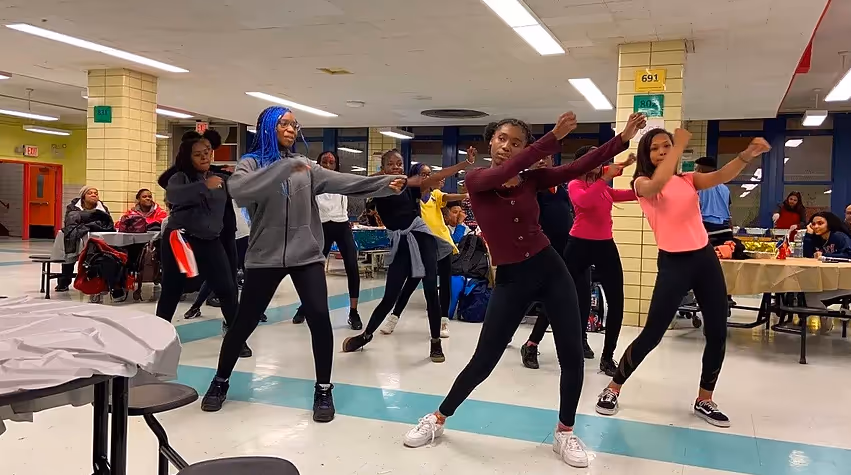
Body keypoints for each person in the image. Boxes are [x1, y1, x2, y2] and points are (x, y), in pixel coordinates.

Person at [402, 112, 643, 470]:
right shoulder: (476, 179)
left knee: (571, 355)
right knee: (484, 359)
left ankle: (565, 431)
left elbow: (578, 167)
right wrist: (552, 138)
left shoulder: (532, 179)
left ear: (525, 147)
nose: (507, 147)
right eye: (502, 139)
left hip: (551, 269)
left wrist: (621, 139)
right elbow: (506, 170)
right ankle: (437, 418)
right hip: (512, 279)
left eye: (516, 143)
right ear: (491, 141)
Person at [200, 106, 405, 422]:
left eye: (294, 124)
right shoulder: (251, 163)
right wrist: (284, 167)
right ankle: (220, 381)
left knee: (320, 317)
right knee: (244, 322)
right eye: (284, 123)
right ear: (268, 126)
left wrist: (384, 183)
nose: (291, 129)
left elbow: (343, 182)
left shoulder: (306, 167)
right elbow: (239, 189)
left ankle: (323, 389)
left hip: (306, 254)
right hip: (265, 256)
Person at [594, 128, 771, 429]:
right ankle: (613, 387)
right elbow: (658, 182)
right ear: (646, 155)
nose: (663, 151)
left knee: (717, 332)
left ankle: (705, 398)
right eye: (655, 148)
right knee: (652, 334)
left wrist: (746, 155)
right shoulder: (642, 183)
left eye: (667, 145)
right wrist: (679, 146)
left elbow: (721, 176)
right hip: (674, 263)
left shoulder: (687, 179)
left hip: (704, 259)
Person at [342, 152, 471, 361]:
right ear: (383, 168)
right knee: (390, 296)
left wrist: (465, 163)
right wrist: (387, 178)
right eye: (390, 164)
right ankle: (366, 335)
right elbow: (358, 183)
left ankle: (435, 342)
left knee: (431, 290)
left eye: (399, 164)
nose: (396, 167)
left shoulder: (410, 187)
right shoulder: (379, 188)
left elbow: (439, 176)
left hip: (422, 239)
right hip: (401, 244)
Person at [521, 148, 637, 377]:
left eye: (599, 159)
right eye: (592, 159)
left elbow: (622, 192)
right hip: (578, 246)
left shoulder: (602, 186)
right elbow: (584, 201)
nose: (598, 163)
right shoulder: (575, 184)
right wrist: (605, 177)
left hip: (605, 246)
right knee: (557, 296)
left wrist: (644, 189)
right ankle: (532, 344)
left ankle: (607, 357)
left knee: (615, 301)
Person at [155, 133, 241, 344]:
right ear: (188, 157)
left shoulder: (220, 178)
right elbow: (173, 195)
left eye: (207, 153)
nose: (204, 157)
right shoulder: (180, 177)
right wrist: (204, 186)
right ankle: (156, 338)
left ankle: (237, 340)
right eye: (197, 154)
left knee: (227, 289)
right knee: (172, 290)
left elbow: (245, 190)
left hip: (210, 240)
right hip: (181, 239)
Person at [377, 164, 469, 337]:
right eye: (423, 174)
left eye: (429, 174)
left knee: (445, 284)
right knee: (410, 283)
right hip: (421, 246)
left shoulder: (435, 195)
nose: (428, 177)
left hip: (443, 243)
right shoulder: (412, 196)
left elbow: (448, 196)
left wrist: (465, 195)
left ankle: (443, 322)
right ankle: (394, 317)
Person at [292, 150, 364, 330]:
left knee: (352, 266)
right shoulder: (312, 181)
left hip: (342, 225)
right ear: (318, 164)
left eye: (331, 162)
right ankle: (305, 306)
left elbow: (361, 185)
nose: (328, 164)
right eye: (324, 161)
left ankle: (353, 312)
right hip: (322, 226)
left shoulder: (341, 180)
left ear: (336, 165)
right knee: (313, 270)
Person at [56, 186, 115, 291]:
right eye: (90, 193)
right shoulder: (73, 208)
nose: (94, 195)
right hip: (77, 237)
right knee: (70, 253)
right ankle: (64, 281)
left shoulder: (103, 209)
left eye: (96, 193)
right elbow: (70, 224)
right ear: (83, 197)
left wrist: (87, 224)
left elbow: (107, 224)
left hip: (96, 238)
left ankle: (96, 281)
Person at [803, 211, 851, 307]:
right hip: (831, 279)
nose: (816, 226)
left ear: (829, 224)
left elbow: (849, 254)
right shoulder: (817, 239)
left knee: (809, 296)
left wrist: (825, 256)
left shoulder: (839, 236)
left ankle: (823, 316)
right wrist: (808, 235)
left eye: (820, 223)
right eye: (813, 224)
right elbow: (808, 256)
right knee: (803, 292)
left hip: (846, 281)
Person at [695, 156, 734, 244]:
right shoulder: (725, 189)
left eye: (696, 168)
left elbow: (695, 208)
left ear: (700, 170)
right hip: (725, 228)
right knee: (723, 252)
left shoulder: (699, 187)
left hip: (706, 228)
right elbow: (728, 209)